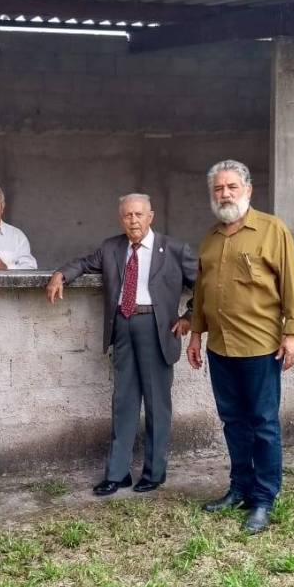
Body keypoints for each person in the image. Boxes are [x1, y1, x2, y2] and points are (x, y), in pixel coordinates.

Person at [47, 194, 197, 496]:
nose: (133, 220)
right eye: (128, 215)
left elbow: (205, 285)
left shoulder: (174, 249)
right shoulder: (111, 247)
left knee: (157, 403)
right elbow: (84, 263)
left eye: (139, 214)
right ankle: (118, 473)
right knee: (123, 401)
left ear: (150, 216)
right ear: (121, 219)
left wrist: (189, 317)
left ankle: (154, 472)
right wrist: (60, 275)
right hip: (123, 326)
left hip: (157, 328)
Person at [187, 160, 294, 534]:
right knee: (233, 421)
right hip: (220, 347)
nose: (224, 194)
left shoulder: (272, 230)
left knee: (263, 423)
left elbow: (291, 285)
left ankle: (264, 498)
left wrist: (292, 333)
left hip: (259, 346)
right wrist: (195, 334)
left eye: (231, 187)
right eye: (218, 188)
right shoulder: (210, 238)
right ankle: (239, 488)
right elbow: (202, 293)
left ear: (248, 190)